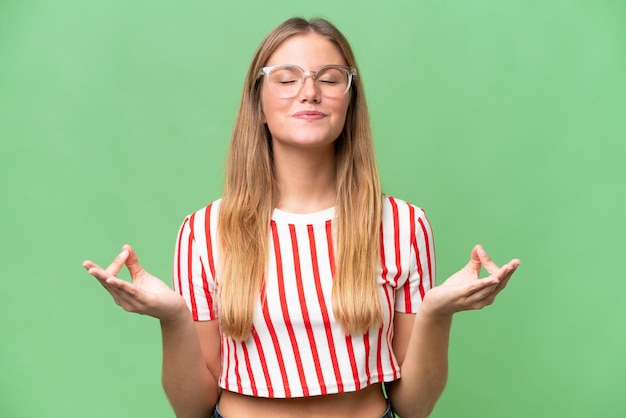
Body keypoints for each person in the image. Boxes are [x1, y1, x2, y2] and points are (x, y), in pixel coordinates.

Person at [82, 17, 520, 418]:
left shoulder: (405, 225)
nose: (309, 92)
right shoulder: (203, 232)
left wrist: (437, 314)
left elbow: (414, 406)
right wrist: (173, 317)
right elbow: (192, 408)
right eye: (286, 79)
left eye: (329, 79)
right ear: (258, 105)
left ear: (350, 102)